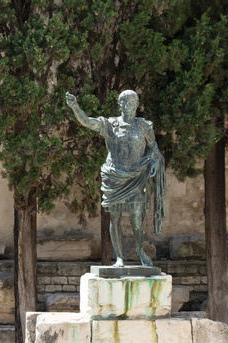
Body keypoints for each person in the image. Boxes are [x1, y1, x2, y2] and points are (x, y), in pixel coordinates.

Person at [66, 90, 165, 267]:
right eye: (123, 103)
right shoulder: (110, 124)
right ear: (119, 105)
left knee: (136, 219)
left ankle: (140, 251)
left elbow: (153, 149)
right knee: (115, 219)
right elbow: (88, 122)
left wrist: (154, 163)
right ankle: (119, 257)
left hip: (136, 178)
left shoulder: (144, 126)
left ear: (136, 105)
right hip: (114, 178)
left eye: (130, 103)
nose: (126, 106)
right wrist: (75, 107)